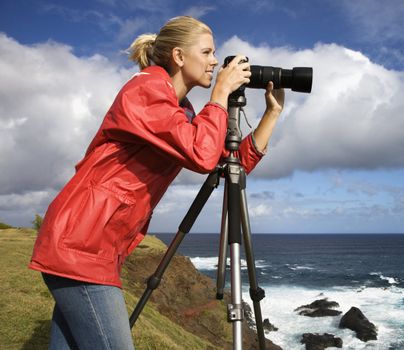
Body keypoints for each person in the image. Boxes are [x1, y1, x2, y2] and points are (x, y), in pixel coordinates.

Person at [29, 16, 285, 349]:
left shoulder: (182, 112)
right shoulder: (146, 90)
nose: (213, 63)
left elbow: (227, 162)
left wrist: (272, 113)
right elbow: (201, 154)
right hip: (82, 243)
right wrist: (220, 94)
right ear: (179, 56)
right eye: (207, 52)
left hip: (94, 244)